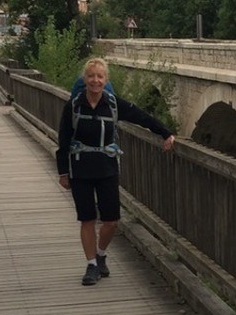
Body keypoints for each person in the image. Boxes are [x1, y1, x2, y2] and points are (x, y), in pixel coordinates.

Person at [57, 57, 175, 285]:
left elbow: (141, 116)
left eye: (100, 77)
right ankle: (91, 265)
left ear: (106, 80)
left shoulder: (112, 104)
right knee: (87, 219)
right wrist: (63, 172)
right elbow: (63, 139)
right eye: (91, 76)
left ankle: (101, 255)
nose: (95, 81)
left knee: (111, 221)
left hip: (107, 168)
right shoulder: (73, 105)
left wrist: (165, 132)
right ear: (85, 79)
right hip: (80, 168)